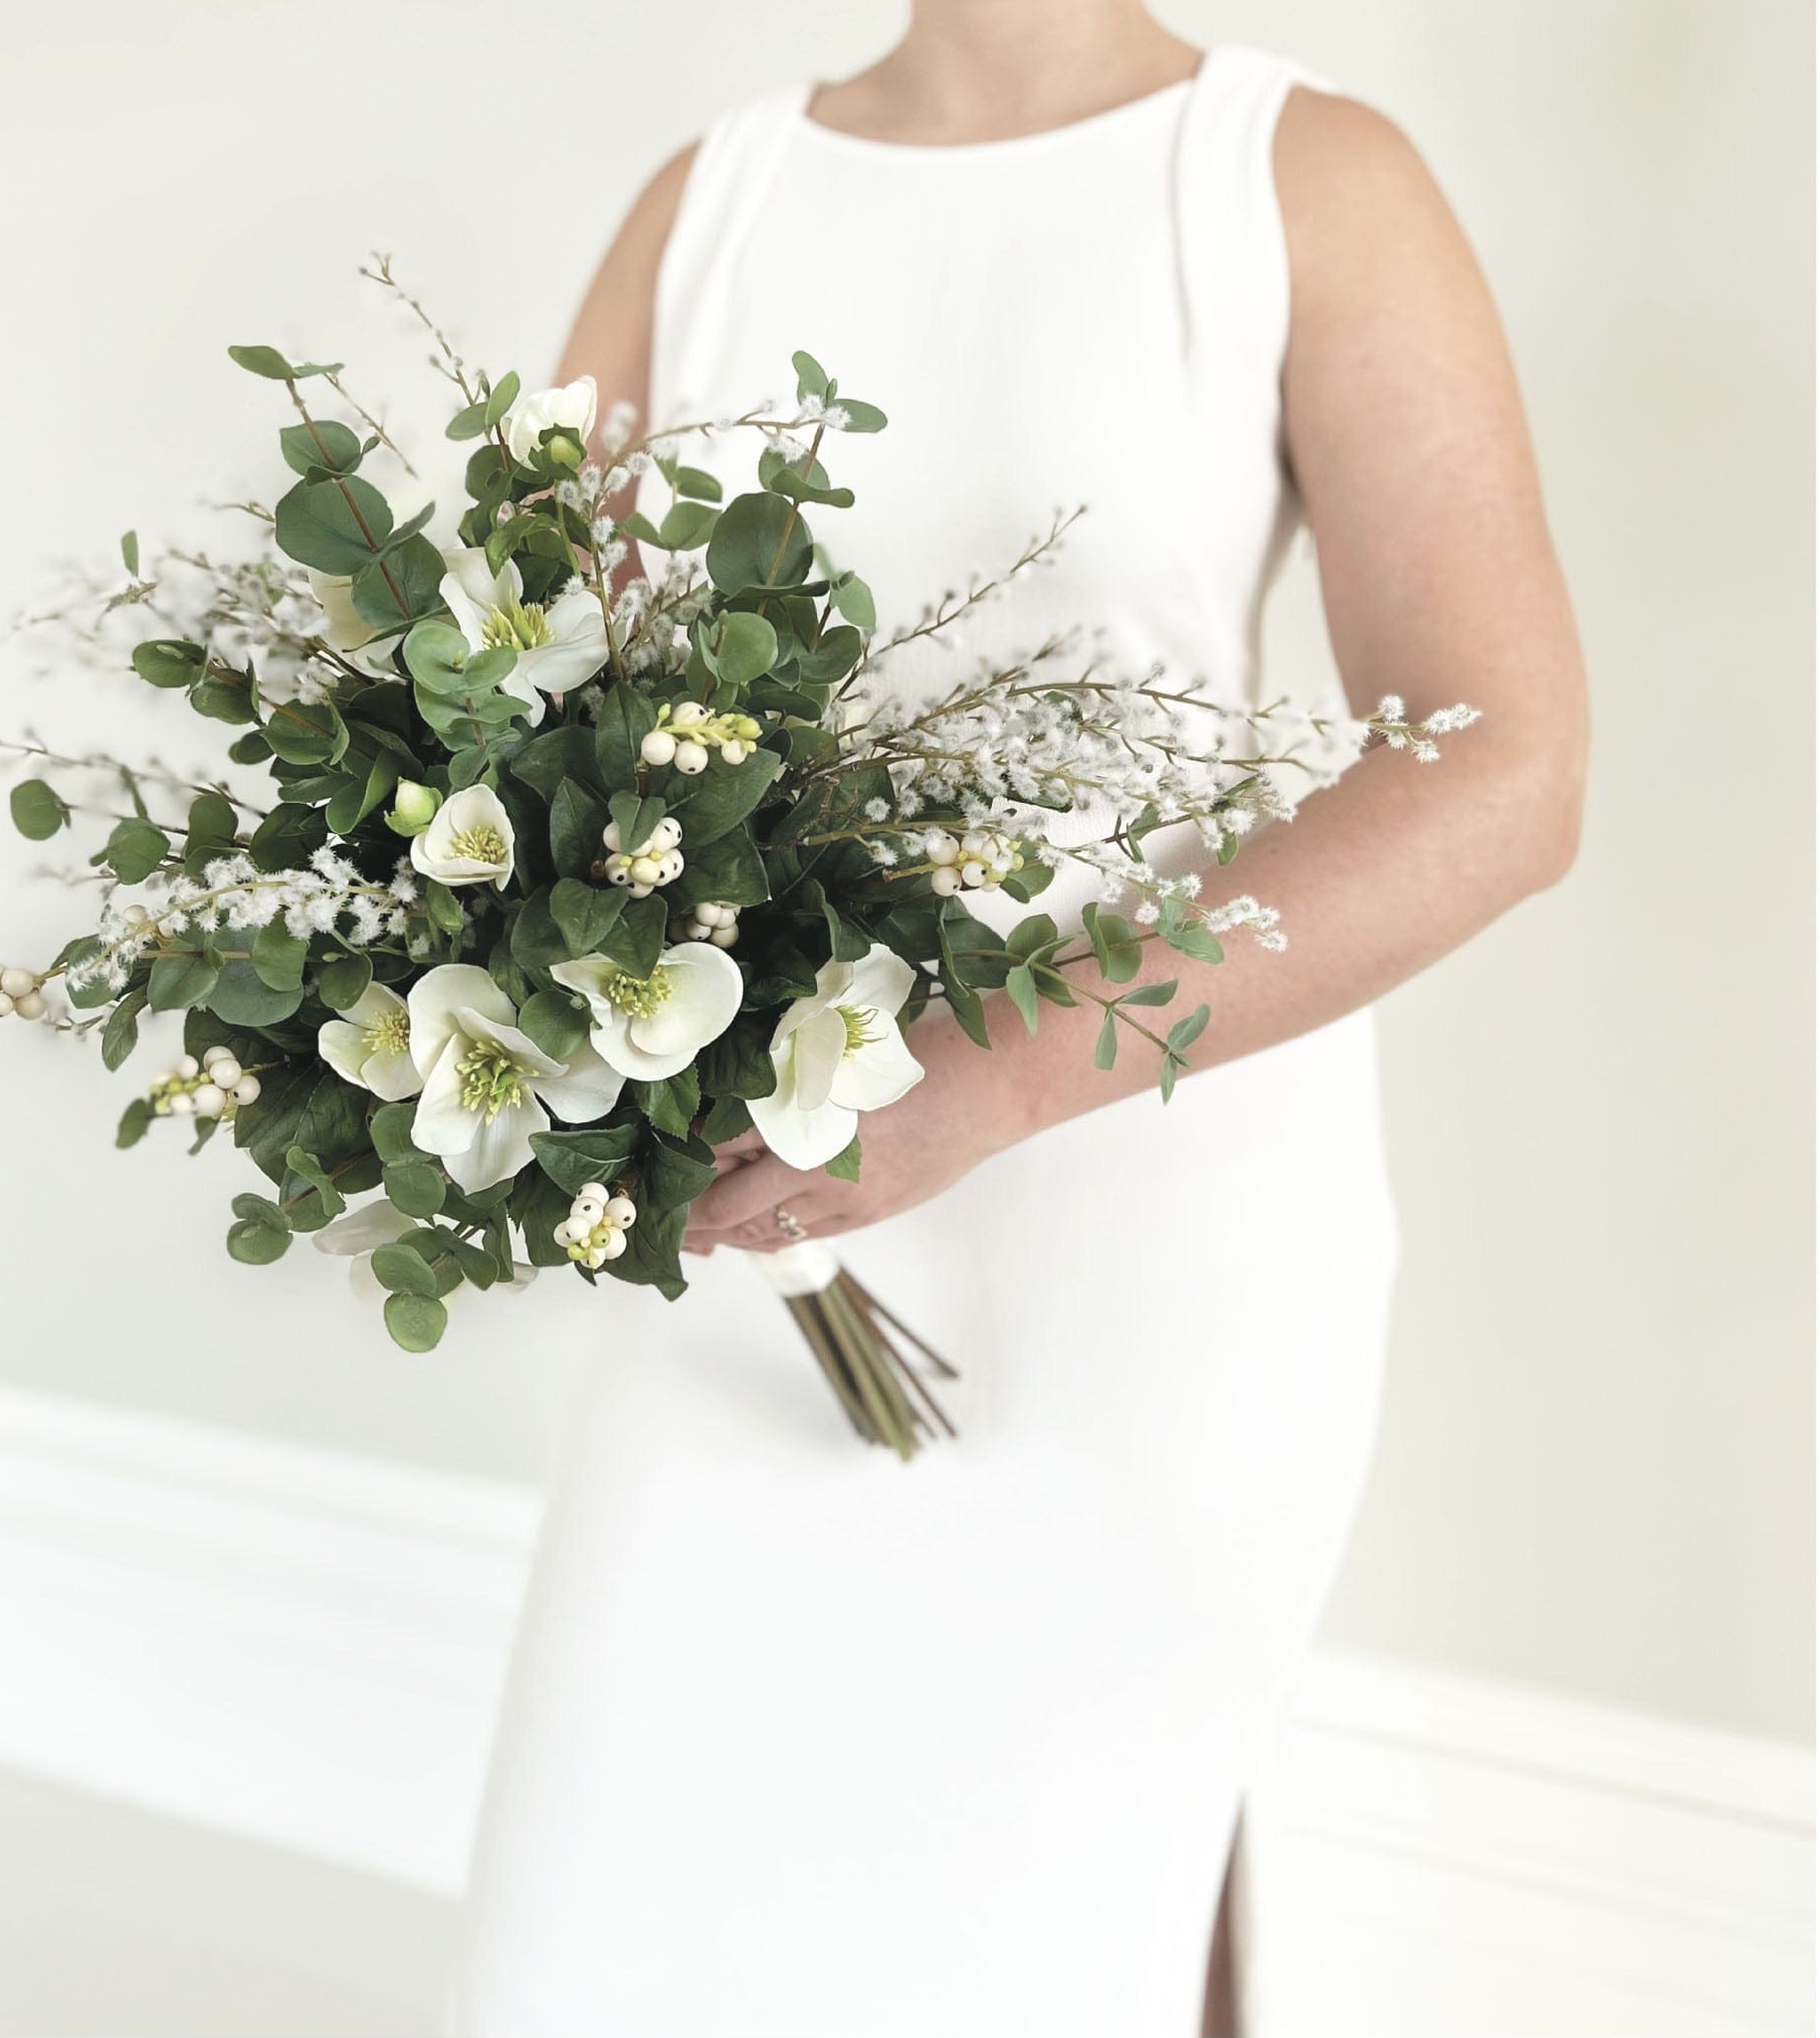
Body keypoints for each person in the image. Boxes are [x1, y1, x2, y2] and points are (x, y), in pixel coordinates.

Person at [449, 6, 1588, 2033]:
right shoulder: (710, 201)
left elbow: (1500, 767)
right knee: (606, 1922)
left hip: (1158, 1198)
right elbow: (519, 705)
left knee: (1074, 1907)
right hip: (764, 1204)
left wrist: (987, 1070)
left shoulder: (1295, 174)